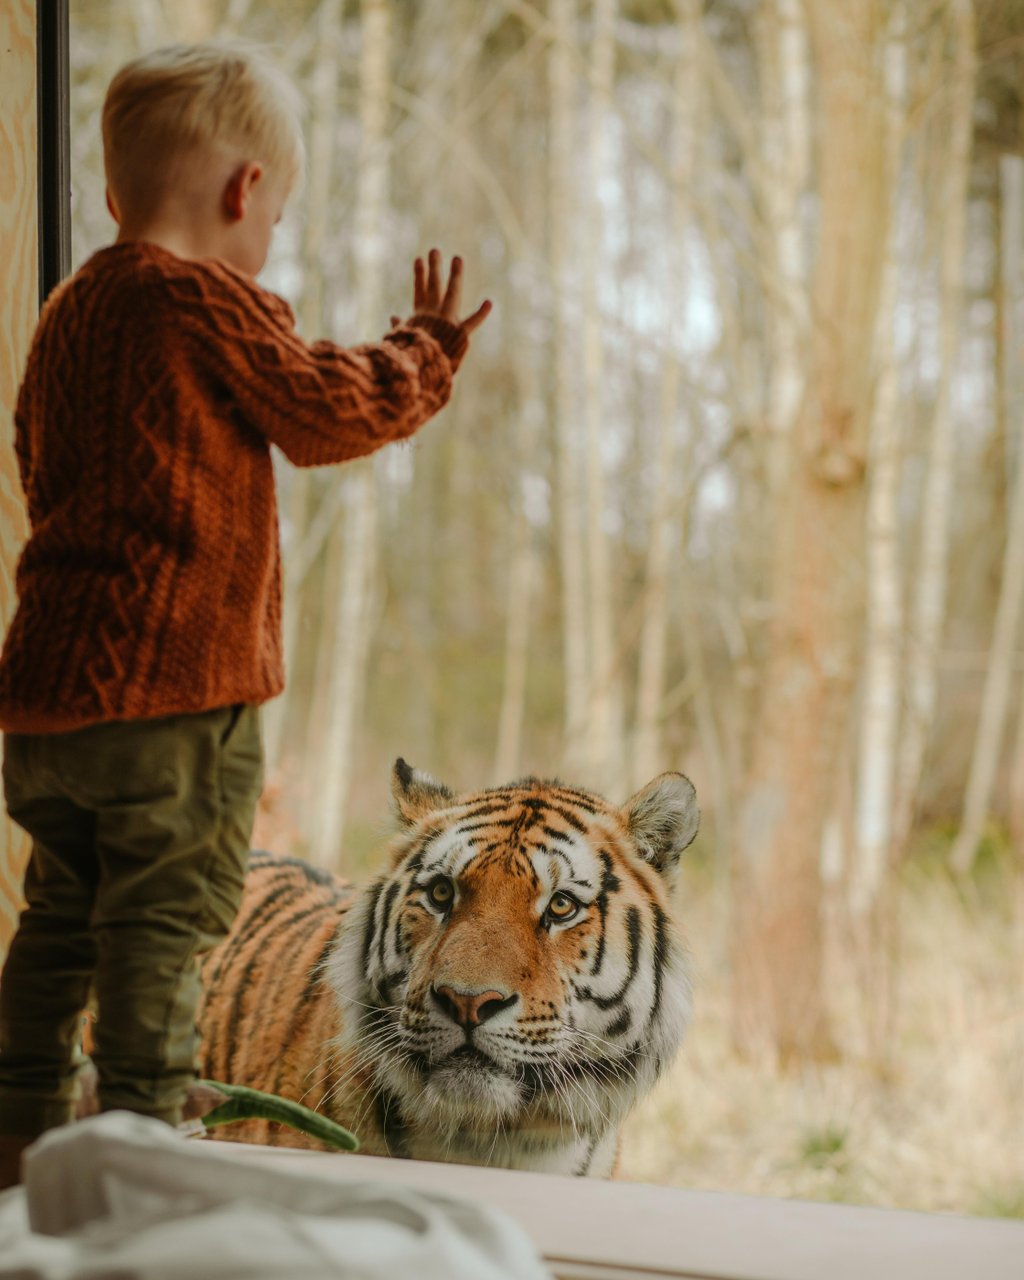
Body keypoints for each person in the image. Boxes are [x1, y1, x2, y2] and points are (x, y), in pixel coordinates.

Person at [0, 41, 490, 1188]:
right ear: (242, 191)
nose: (268, 243)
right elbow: (322, 408)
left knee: (58, 917)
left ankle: (18, 1128)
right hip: (175, 700)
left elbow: (37, 462)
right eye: (276, 217)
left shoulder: (68, 313)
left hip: (45, 707)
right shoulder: (202, 297)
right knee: (165, 927)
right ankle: (138, 1142)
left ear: (118, 194)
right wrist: (424, 350)